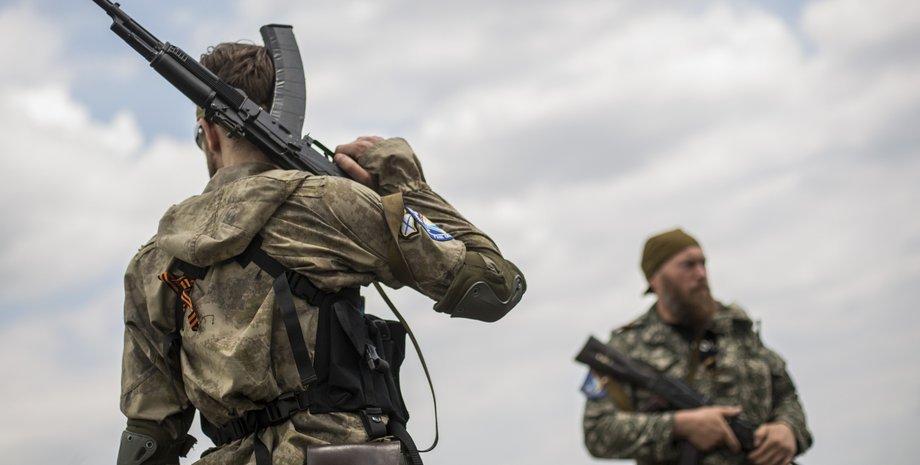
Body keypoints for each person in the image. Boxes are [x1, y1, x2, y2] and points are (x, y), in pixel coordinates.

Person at [116, 42, 526, 465]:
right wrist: (405, 187)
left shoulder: (154, 262)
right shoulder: (333, 204)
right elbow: (494, 287)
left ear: (210, 132)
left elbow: (147, 440)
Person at [582, 228, 812, 465]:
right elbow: (598, 432)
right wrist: (679, 426)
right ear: (654, 279)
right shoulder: (626, 348)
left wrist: (788, 429)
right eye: (688, 265)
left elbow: (786, 396)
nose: (701, 274)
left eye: (703, 264)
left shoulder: (737, 329)